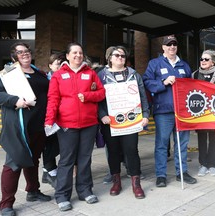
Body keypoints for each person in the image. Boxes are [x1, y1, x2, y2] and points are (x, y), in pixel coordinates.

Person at [0, 42, 51, 216]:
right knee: (14, 163)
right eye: (20, 52)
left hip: (39, 126)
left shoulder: (39, 73)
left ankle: (33, 191)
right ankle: (6, 204)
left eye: (26, 51)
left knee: (33, 161)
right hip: (19, 127)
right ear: (13, 56)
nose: (24, 54)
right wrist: (14, 101)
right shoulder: (7, 74)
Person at [45, 42, 105, 211]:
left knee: (85, 159)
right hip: (67, 124)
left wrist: (87, 96)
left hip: (89, 124)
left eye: (80, 52)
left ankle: (85, 191)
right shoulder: (58, 75)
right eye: (74, 53)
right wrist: (49, 120)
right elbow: (53, 99)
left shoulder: (91, 73)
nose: (78, 55)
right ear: (68, 56)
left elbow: (101, 93)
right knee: (66, 160)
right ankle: (62, 195)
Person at [142, 35, 197, 187]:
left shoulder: (184, 65)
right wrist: (163, 82)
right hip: (163, 111)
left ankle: (182, 172)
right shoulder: (155, 64)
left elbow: (191, 88)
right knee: (161, 144)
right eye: (169, 44)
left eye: (174, 44)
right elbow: (146, 82)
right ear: (163, 47)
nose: (172, 47)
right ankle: (161, 175)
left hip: (182, 112)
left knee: (182, 143)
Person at [98, 45, 149, 199]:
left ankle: (136, 182)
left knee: (131, 150)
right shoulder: (101, 75)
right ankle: (116, 181)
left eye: (122, 55)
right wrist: (102, 115)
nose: (120, 58)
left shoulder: (134, 74)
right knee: (113, 151)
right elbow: (97, 99)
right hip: (110, 122)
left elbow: (142, 96)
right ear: (109, 58)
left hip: (131, 121)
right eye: (116, 55)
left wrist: (145, 114)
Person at [192, 50, 215, 177]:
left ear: (213, 62)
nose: (203, 61)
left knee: (214, 139)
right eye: (202, 59)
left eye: (206, 59)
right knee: (201, 139)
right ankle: (203, 164)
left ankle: (212, 165)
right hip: (200, 113)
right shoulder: (194, 75)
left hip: (214, 113)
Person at [41, 53, 62, 188]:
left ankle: (45, 171)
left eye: (61, 63)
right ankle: (50, 172)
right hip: (49, 118)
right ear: (50, 66)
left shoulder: (64, 77)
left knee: (57, 145)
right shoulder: (45, 80)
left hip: (62, 118)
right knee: (50, 145)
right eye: (56, 64)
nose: (59, 66)